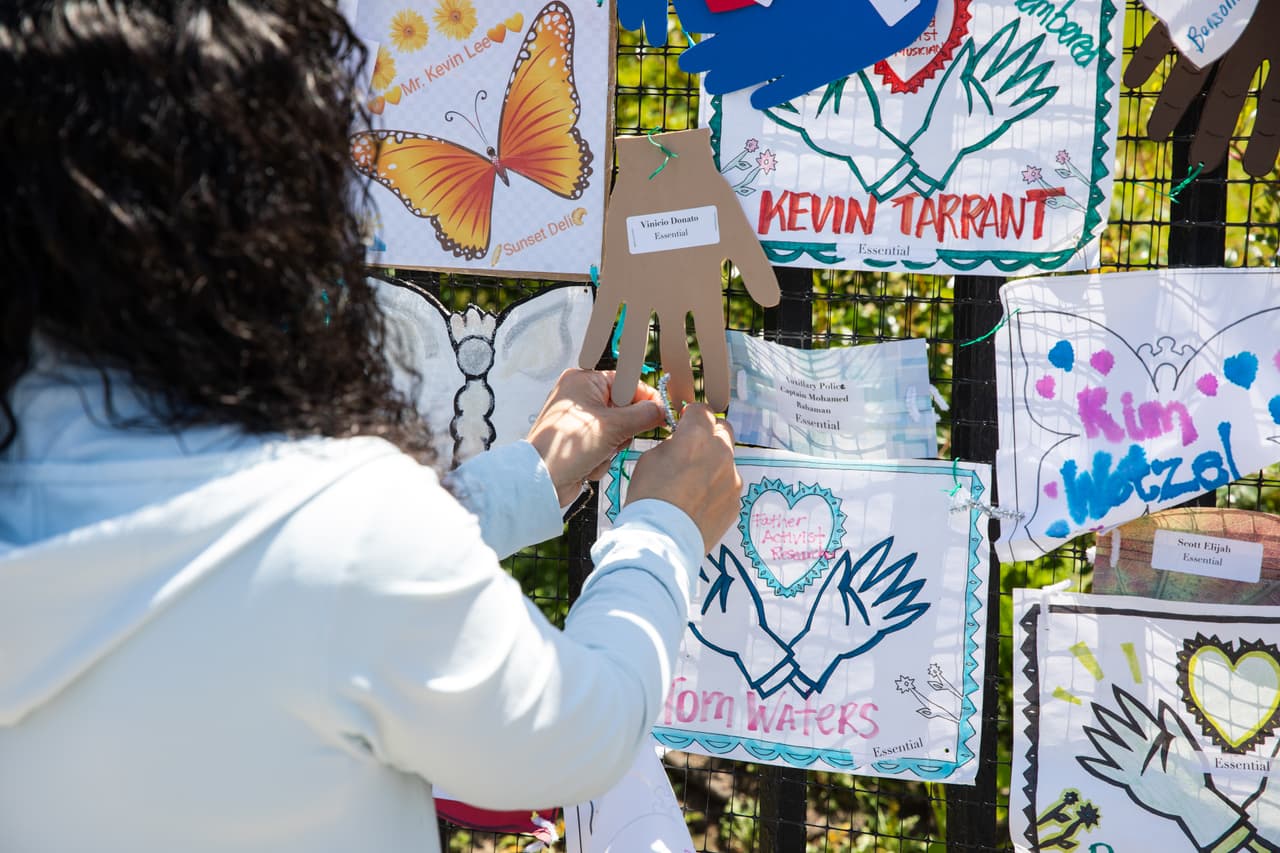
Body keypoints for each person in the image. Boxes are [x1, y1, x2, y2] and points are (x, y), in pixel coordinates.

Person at [0, 2, 741, 852]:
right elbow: (578, 733)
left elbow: (243, 556)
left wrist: (527, 478)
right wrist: (664, 527)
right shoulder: (340, 527)